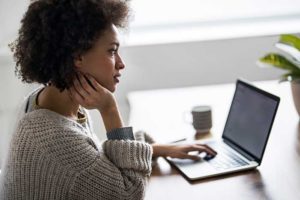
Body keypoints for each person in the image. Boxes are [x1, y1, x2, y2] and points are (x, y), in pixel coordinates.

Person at [0, 0, 217, 199]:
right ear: (77, 57)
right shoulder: (55, 138)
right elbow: (130, 193)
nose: (120, 63)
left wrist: (158, 149)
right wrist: (110, 109)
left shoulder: (42, 101)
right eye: (112, 51)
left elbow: (88, 159)